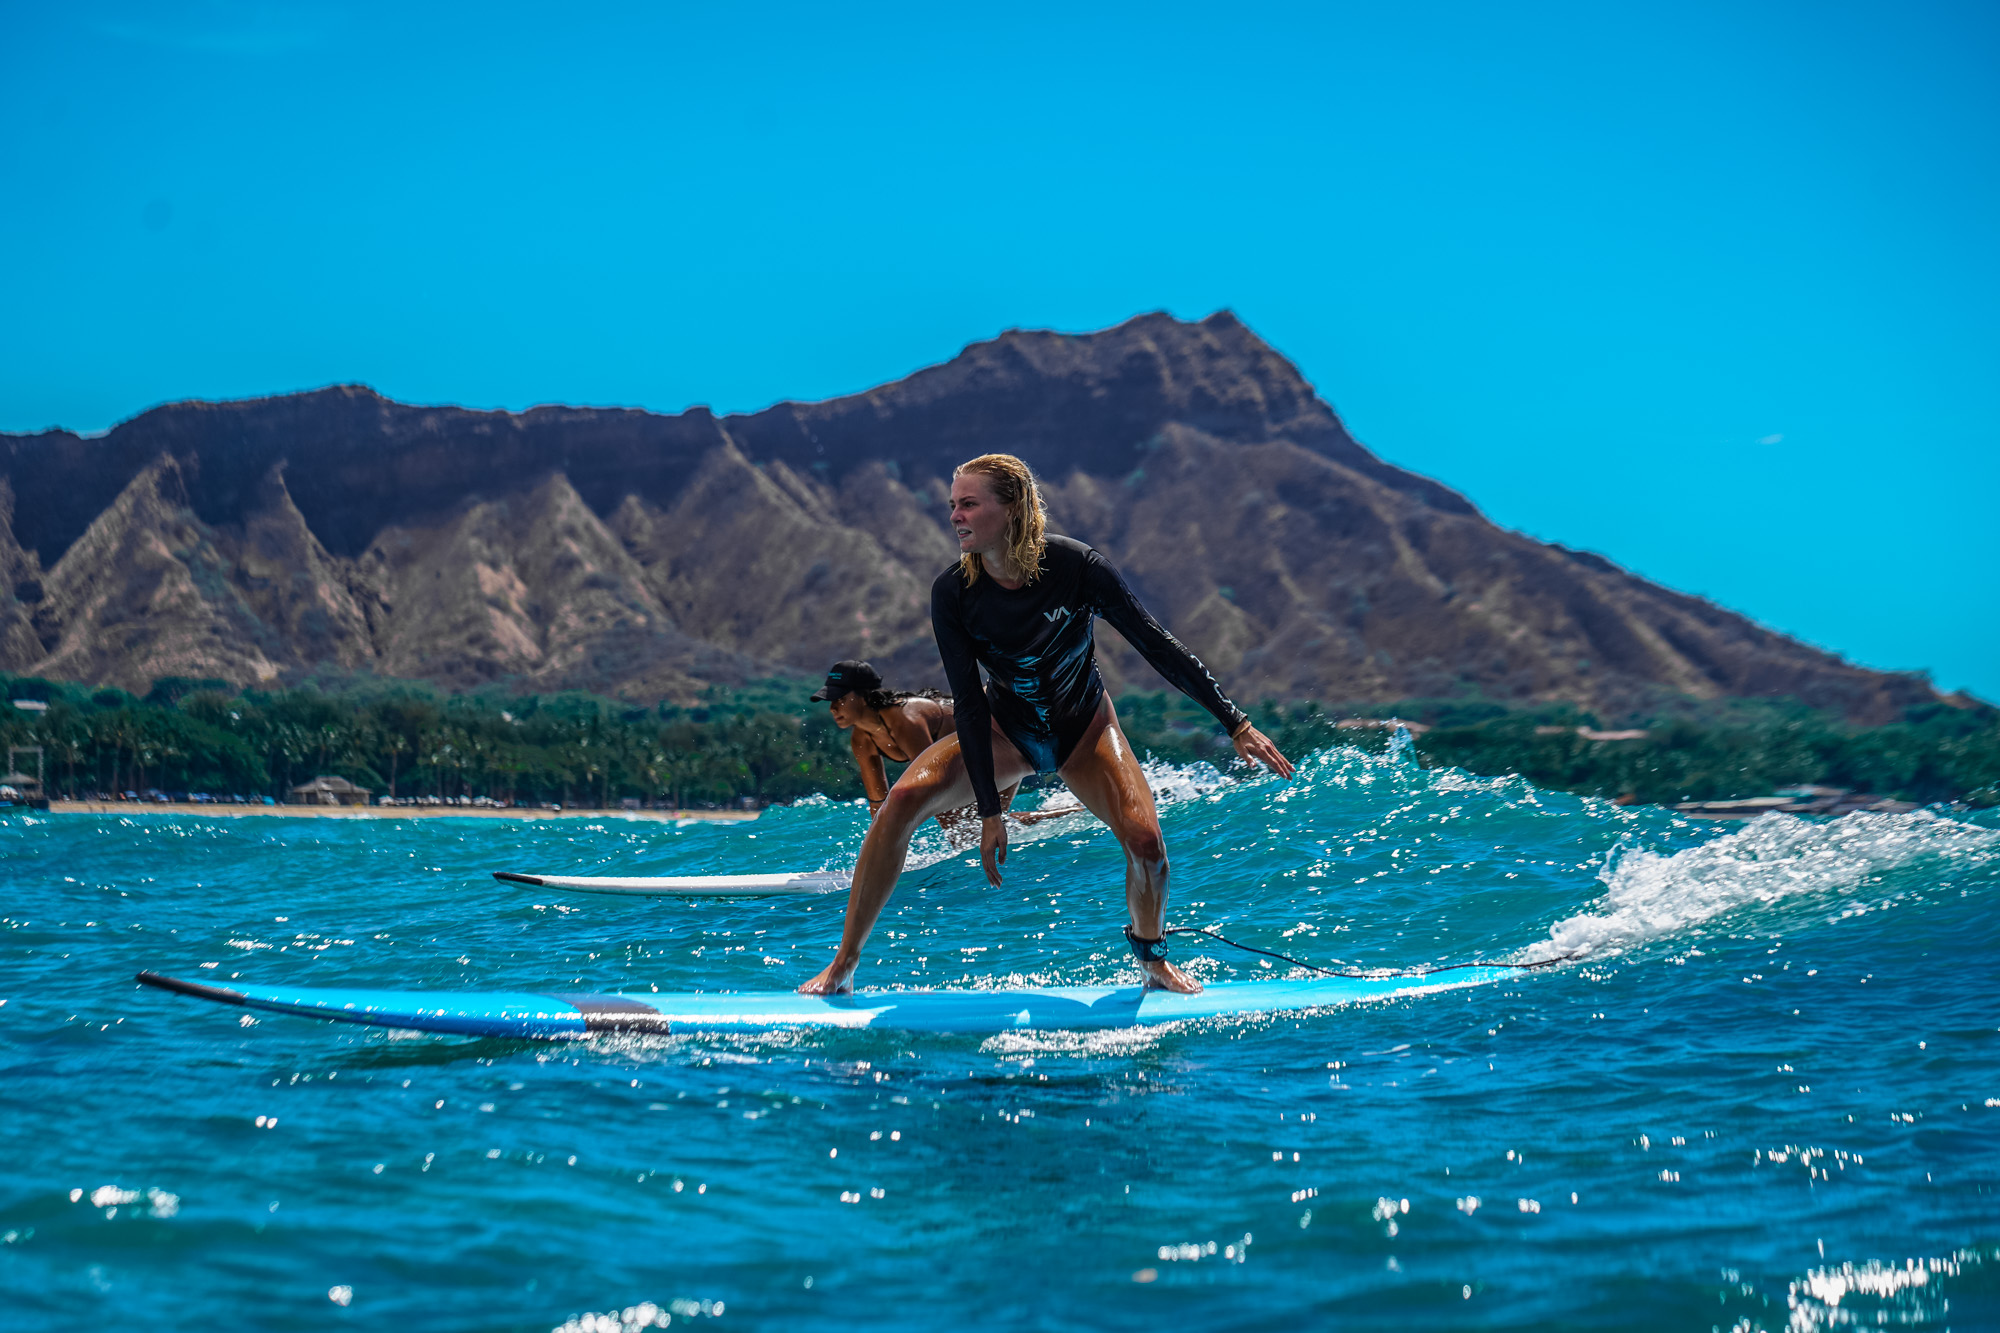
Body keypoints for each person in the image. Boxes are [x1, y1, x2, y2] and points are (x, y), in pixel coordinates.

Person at [799, 453, 1292, 997]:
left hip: (1084, 729)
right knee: (899, 806)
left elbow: (1156, 645)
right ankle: (843, 963)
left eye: (969, 504)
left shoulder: (1078, 568)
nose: (955, 517)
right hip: (1003, 730)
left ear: (1011, 508)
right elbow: (966, 701)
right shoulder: (954, 594)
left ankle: (1152, 959)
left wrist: (1235, 722)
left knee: (1147, 844)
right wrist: (989, 812)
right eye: (952, 506)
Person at [814, 659, 1068, 835]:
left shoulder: (905, 720)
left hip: (1001, 732)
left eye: (839, 699)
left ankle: (1072, 815)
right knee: (976, 828)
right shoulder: (862, 739)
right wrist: (879, 851)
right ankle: (1069, 815)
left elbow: (933, 785)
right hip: (971, 758)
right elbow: (878, 803)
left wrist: (956, 838)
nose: (832, 707)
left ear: (863, 696)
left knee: (975, 829)